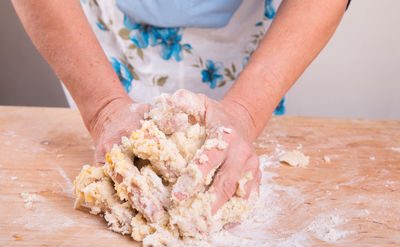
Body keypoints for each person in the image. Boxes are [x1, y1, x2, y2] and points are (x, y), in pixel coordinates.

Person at [12, 0, 350, 212]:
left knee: (226, 167)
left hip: (248, 36)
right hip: (100, 36)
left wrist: (246, 110)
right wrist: (103, 108)